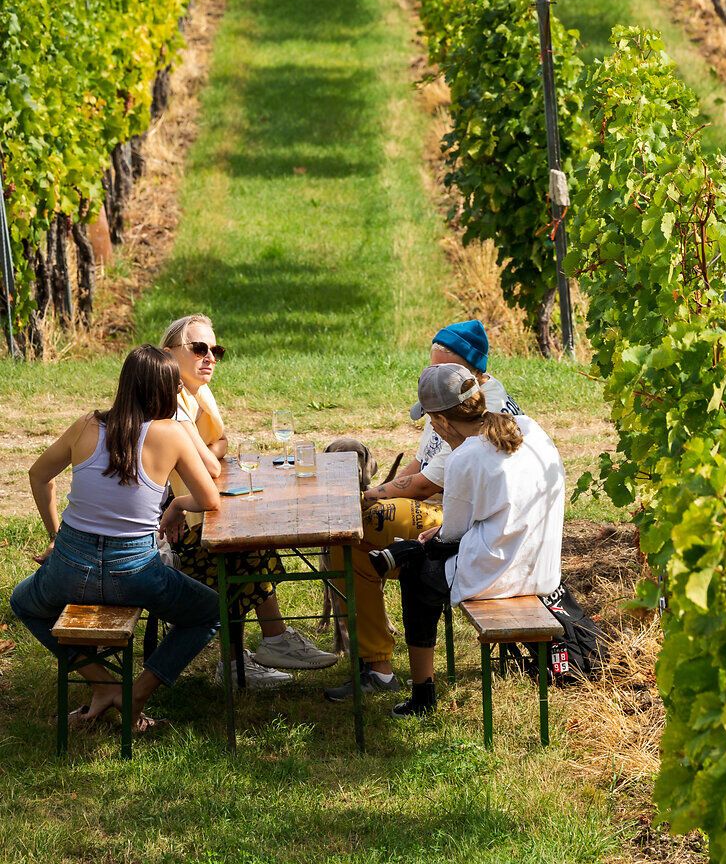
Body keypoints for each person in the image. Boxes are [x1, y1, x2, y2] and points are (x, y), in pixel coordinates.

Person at [9, 345, 221, 735]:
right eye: (175, 385)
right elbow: (210, 499)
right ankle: (135, 694)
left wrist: (55, 535)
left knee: (24, 603)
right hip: (136, 573)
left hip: (70, 566)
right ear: (163, 390)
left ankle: (101, 681)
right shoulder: (171, 433)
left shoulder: (86, 425)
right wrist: (176, 506)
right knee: (209, 611)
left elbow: (38, 476)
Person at [323, 319, 521, 703]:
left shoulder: (478, 408)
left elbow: (428, 485)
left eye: (440, 367)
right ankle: (375, 661)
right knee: (350, 534)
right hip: (449, 513)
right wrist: (379, 497)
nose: (431, 374)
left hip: (465, 524)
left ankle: (377, 666)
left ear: (470, 371)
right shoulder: (454, 395)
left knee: (356, 528)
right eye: (431, 366)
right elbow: (419, 465)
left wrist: (367, 498)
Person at [159, 314, 338, 682]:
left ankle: (252, 653)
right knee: (243, 549)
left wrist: (205, 453)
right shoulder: (171, 404)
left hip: (195, 513)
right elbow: (212, 463)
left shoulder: (196, 393)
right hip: (169, 533)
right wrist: (207, 455)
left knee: (249, 541)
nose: (210, 357)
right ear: (169, 352)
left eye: (216, 350)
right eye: (199, 348)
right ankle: (259, 650)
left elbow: (222, 445)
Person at [391, 362, 565, 718]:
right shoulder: (529, 428)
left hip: (499, 576)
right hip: (543, 568)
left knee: (415, 575)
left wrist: (425, 544)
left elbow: (452, 537)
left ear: (441, 422)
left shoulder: (464, 457)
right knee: (425, 555)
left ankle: (422, 694)